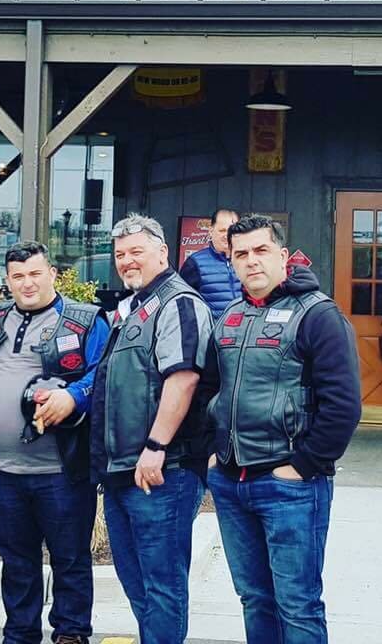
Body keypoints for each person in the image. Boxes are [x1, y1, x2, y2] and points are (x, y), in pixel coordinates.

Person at [204, 214, 361, 644]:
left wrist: (303, 466)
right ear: (231, 261)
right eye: (241, 254)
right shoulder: (230, 317)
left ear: (283, 255)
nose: (251, 260)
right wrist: (214, 453)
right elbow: (209, 389)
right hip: (232, 482)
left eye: (261, 250)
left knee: (298, 604)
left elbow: (344, 405)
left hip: (290, 487)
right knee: (255, 599)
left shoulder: (318, 315)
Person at [0, 241, 110, 644]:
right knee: (16, 562)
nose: (27, 283)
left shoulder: (85, 320)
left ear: (52, 274)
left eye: (35, 273)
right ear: (8, 280)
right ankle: (19, 635)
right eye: (18, 276)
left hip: (61, 470)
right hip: (4, 469)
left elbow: (104, 372)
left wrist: (74, 396)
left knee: (70, 559)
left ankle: (71, 633)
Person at [89, 213, 213, 644]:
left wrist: (156, 446)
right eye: (120, 254)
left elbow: (184, 378)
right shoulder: (133, 308)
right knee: (138, 584)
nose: (126, 260)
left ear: (163, 251)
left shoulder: (179, 303)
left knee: (162, 586)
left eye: (136, 251)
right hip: (124, 471)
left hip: (163, 471)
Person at [179, 207, 242, 319]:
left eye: (231, 230)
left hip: (245, 328)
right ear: (211, 231)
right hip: (212, 329)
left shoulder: (248, 260)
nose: (227, 235)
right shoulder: (194, 263)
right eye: (222, 230)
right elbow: (183, 304)